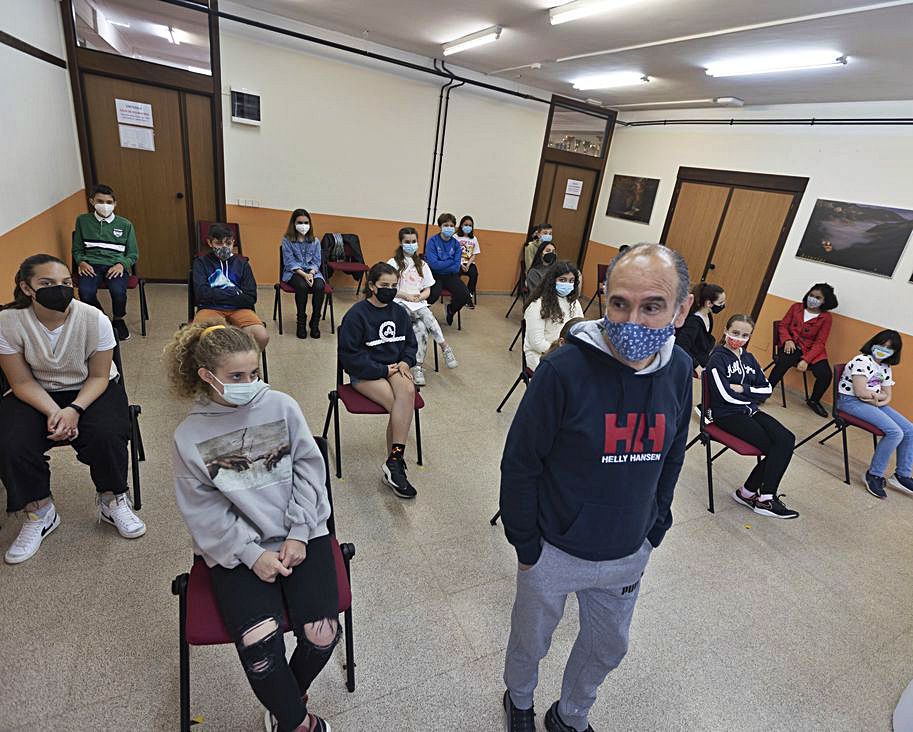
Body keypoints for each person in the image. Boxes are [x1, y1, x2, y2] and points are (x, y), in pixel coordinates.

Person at [500, 243, 694, 732]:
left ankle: (570, 715)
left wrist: (657, 524)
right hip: (554, 549)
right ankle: (519, 701)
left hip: (628, 550)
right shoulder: (563, 370)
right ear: (603, 300)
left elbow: (673, 453)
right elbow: (521, 462)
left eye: (652, 306)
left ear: (681, 309)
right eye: (619, 304)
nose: (632, 321)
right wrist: (526, 544)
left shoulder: (680, 369)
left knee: (607, 646)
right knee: (531, 641)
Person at [167, 322, 337, 732]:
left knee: (322, 635)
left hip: (303, 531)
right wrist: (251, 554)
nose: (250, 384)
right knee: (260, 645)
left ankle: (286, 700)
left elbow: (311, 471)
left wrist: (299, 531)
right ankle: (298, 723)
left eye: (254, 373)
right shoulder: (188, 436)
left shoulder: (281, 406)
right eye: (236, 377)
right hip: (235, 548)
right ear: (207, 376)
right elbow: (203, 511)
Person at [0, 254, 145, 564]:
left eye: (66, 282)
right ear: (27, 288)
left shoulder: (94, 318)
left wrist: (74, 409)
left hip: (90, 388)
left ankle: (112, 498)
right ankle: (39, 511)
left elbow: (98, 375)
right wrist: (54, 410)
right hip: (35, 391)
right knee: (10, 440)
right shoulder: (8, 321)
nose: (60, 289)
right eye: (47, 283)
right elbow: (21, 381)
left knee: (107, 432)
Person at [338, 262, 419, 499]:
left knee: (408, 392)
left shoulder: (400, 312)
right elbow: (350, 357)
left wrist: (406, 361)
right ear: (372, 286)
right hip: (366, 373)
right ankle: (395, 465)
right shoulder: (356, 314)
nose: (390, 290)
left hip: (395, 367)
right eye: (385, 285)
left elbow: (410, 345)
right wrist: (382, 370)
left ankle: (394, 461)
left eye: (395, 285)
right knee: (399, 406)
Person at [706, 314, 799, 519]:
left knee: (787, 439)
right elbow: (723, 395)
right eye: (735, 332)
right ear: (726, 330)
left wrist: (742, 389)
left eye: (745, 335)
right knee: (775, 447)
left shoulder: (748, 358)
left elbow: (766, 388)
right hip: (726, 414)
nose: (739, 338)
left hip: (750, 410)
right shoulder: (717, 358)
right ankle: (764, 498)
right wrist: (750, 396)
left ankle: (748, 493)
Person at [836, 330, 913, 499]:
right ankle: (874, 474)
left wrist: (878, 400)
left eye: (889, 348)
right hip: (850, 402)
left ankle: (902, 475)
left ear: (894, 352)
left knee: (909, 429)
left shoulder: (885, 367)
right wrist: (878, 398)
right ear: (874, 343)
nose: (883, 350)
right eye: (882, 345)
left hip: (874, 403)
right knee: (895, 432)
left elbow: (888, 395)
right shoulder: (861, 361)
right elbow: (860, 392)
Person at [387, 227, 457, 386]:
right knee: (425, 315)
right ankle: (445, 346)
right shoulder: (393, 263)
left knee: (422, 328)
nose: (411, 245)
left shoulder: (422, 264)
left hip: (417, 304)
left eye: (413, 242)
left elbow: (428, 289)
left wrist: (421, 297)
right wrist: (405, 296)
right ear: (401, 243)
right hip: (399, 304)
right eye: (407, 242)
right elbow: (389, 288)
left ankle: (418, 367)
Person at [72, 183, 138, 341]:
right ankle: (102, 320)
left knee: (118, 292)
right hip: (90, 265)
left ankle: (118, 319)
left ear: (115, 204)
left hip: (115, 265)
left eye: (109, 202)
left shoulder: (125, 224)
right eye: (100, 201)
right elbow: (77, 249)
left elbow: (133, 254)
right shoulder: (82, 221)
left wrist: (121, 264)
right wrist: (81, 262)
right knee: (85, 292)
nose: (105, 206)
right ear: (92, 201)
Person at [192, 223, 269, 351]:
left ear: (233, 242)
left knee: (261, 336)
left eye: (228, 243)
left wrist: (215, 294)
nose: (224, 247)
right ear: (210, 243)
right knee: (205, 339)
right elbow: (201, 294)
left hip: (240, 309)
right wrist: (234, 293)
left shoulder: (242, 264)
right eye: (219, 243)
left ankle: (246, 366)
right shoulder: (201, 263)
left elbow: (250, 297)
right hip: (210, 309)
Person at [768, 283, 838, 417]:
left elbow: (820, 342)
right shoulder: (796, 308)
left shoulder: (826, 317)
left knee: (826, 374)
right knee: (783, 361)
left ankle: (814, 401)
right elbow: (783, 326)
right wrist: (787, 340)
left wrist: (806, 360)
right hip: (792, 344)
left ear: (825, 301)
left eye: (818, 297)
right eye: (811, 295)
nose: (813, 299)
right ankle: (765, 391)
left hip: (811, 350)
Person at [523, 261, 583, 371]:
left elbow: (580, 330)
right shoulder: (537, 305)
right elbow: (537, 343)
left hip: (566, 352)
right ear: (552, 281)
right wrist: (563, 352)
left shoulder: (574, 303)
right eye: (562, 280)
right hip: (540, 355)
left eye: (571, 281)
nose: (567, 284)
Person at [280, 209, 325, 339]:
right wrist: (304, 275)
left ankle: (315, 321)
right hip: (294, 272)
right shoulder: (287, 240)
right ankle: (301, 322)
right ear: (293, 224)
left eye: (306, 222)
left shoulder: (315, 241)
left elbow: (317, 261)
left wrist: (311, 273)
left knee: (320, 286)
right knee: (302, 286)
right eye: (300, 222)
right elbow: (289, 263)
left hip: (312, 272)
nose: (303, 225)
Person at [424, 212, 471, 325]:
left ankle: (450, 309)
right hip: (434, 275)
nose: (449, 228)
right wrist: (450, 260)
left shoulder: (456, 244)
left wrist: (443, 263)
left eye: (451, 226)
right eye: (446, 225)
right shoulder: (432, 242)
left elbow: (455, 268)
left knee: (465, 295)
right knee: (432, 295)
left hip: (450, 276)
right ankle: (423, 316)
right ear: (440, 227)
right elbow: (433, 265)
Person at [675, 282, 725, 375]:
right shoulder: (693, 323)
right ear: (709, 303)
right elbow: (682, 346)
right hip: (687, 367)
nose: (723, 305)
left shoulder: (708, 315)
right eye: (720, 303)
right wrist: (696, 367)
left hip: (701, 363)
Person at [455, 214, 481, 308]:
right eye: (466, 224)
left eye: (470, 225)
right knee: (456, 274)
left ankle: (468, 297)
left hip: (469, 263)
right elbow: (453, 253)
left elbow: (474, 254)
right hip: (457, 262)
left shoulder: (474, 239)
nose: (468, 227)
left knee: (474, 274)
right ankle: (457, 296)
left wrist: (468, 265)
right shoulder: (455, 237)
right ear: (461, 225)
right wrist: (461, 264)